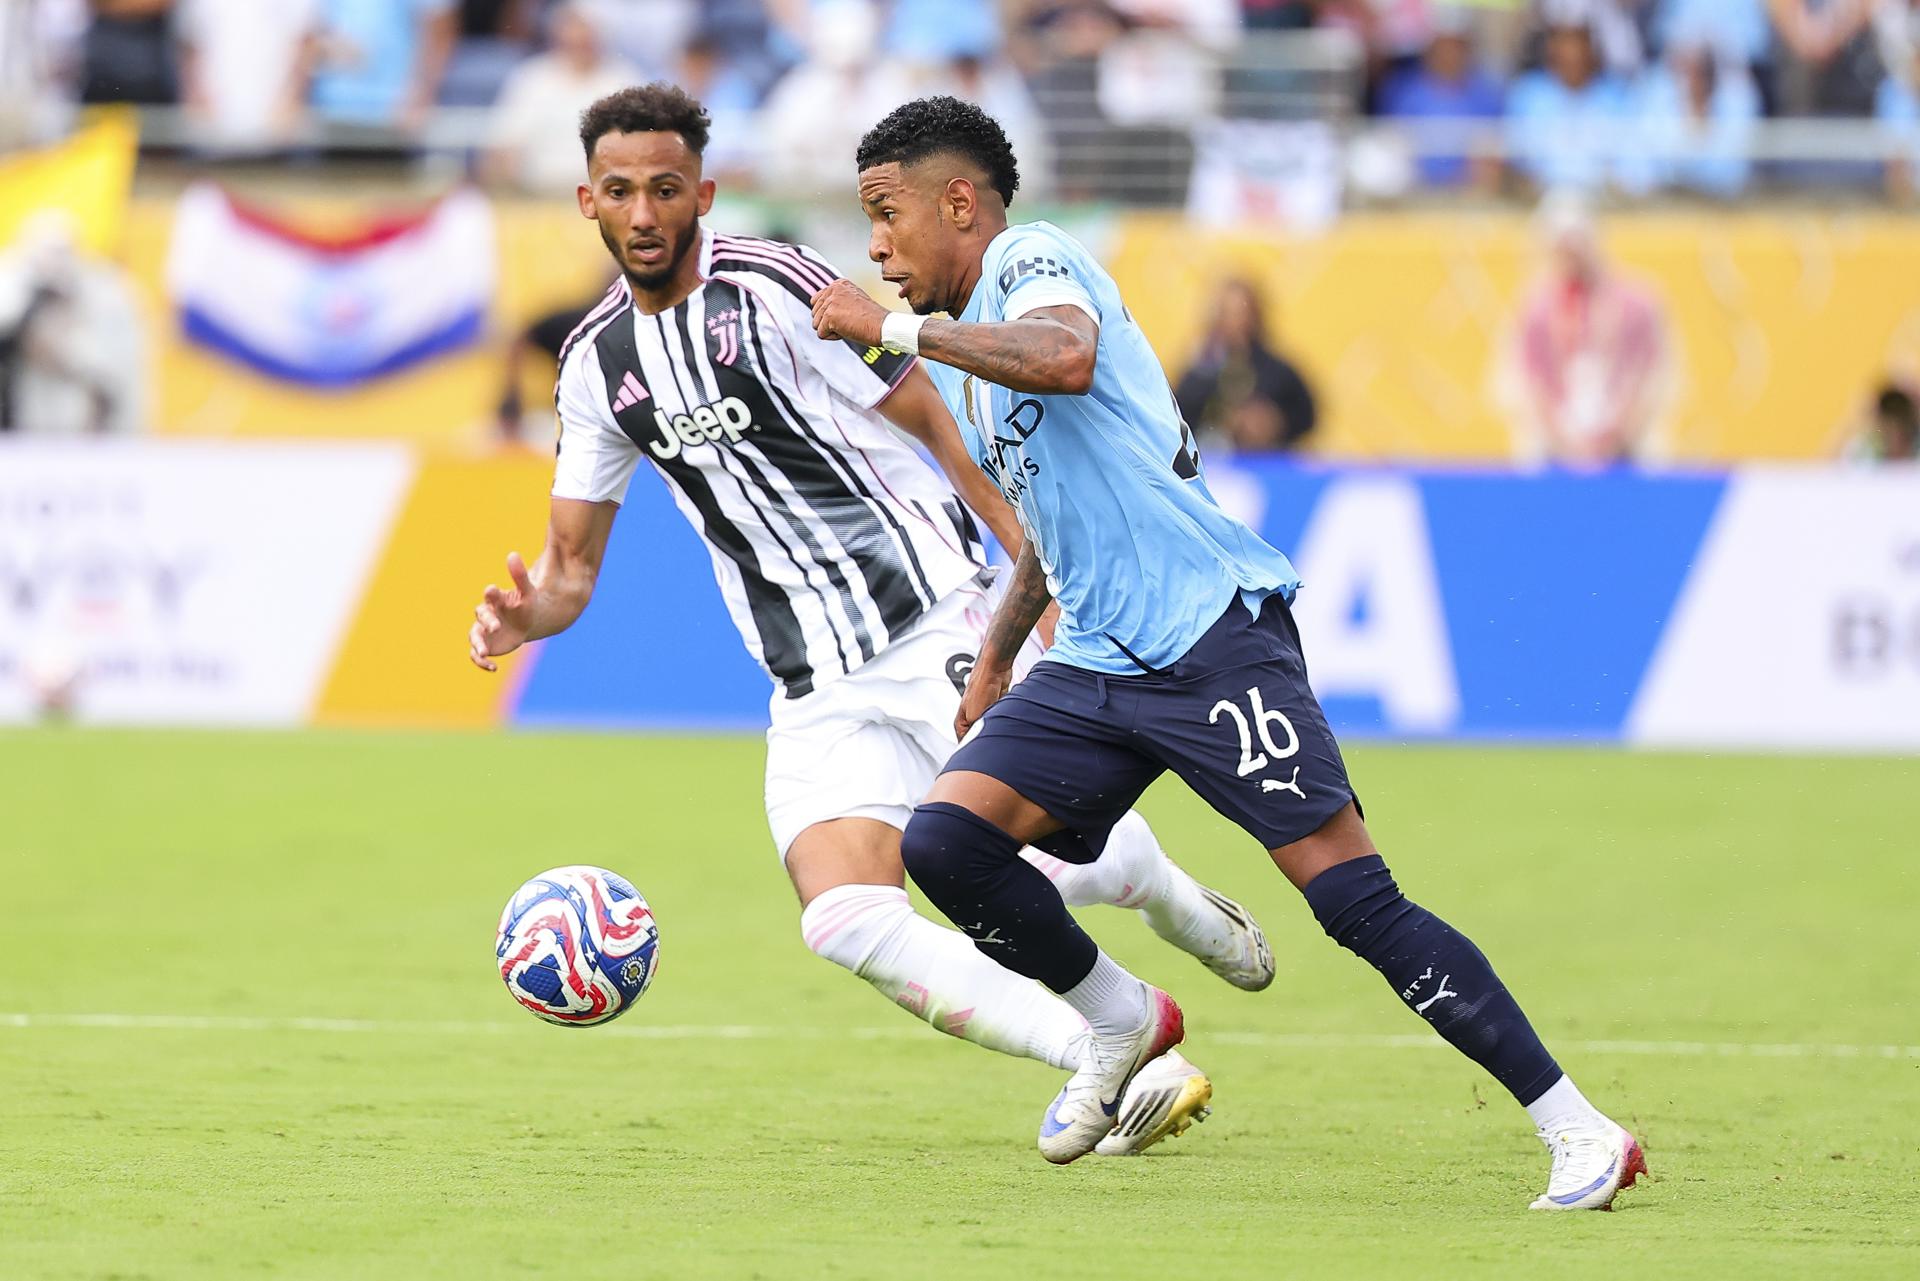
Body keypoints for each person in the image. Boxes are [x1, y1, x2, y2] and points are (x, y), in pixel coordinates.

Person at [810, 95, 1645, 1206]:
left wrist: (892, 330)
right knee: (949, 842)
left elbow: (1066, 356)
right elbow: (1056, 525)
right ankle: (1119, 1020)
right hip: (1097, 662)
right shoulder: (971, 365)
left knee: (1356, 904)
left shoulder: (1031, 260)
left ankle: (1580, 1129)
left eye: (887, 211)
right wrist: (1002, 658)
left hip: (1209, 640)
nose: (875, 245)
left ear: (959, 202)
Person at [465, 83, 1279, 1157]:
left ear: (703, 193)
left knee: (1047, 864)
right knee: (844, 919)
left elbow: (937, 418)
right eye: (620, 191)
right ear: (587, 202)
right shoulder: (593, 364)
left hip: (932, 614)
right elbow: (570, 568)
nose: (644, 212)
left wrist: (1033, 585)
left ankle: (1168, 896)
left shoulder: (777, 287)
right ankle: (1119, 1049)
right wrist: (531, 614)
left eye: (666, 188)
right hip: (808, 680)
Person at [1507, 193, 1670, 468]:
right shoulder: (1537, 309)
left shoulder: (1636, 304)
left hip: (1626, 448)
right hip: (1554, 448)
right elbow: (1525, 382)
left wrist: (1619, 430)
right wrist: (1561, 436)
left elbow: (1654, 374)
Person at [481, 2, 641, 195]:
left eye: (585, 36)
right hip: (536, 194)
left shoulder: (622, 78)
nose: (578, 42)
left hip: (603, 195)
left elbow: (637, 148)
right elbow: (504, 146)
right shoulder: (531, 77)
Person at [1174, 277, 1316, 453]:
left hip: (1267, 462)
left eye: (1240, 313)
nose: (1235, 322)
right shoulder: (1200, 373)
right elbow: (1180, 416)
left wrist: (1276, 422)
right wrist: (1222, 420)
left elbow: (1306, 415)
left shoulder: (1277, 372)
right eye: (1227, 313)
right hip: (1216, 465)